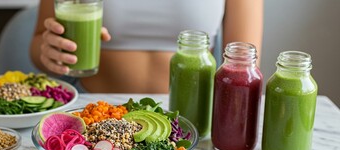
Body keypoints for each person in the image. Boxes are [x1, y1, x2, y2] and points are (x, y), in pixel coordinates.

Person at [30, 0, 263, 93]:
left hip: (193, 121)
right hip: (92, 111)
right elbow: (40, 41)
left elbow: (244, 67)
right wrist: (50, 52)